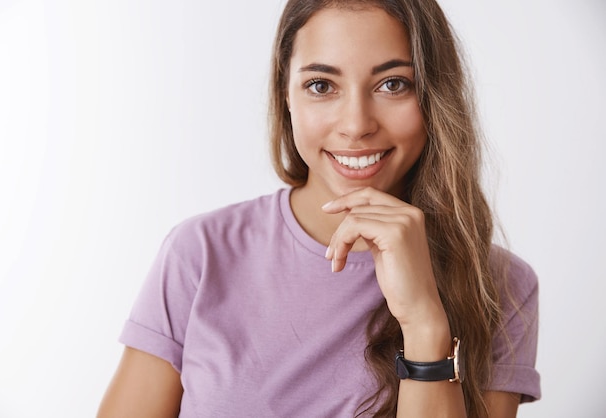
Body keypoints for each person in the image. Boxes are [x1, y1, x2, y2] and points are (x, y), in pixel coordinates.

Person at [97, 0, 540, 417]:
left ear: (434, 97)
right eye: (321, 85)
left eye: (392, 84)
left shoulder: (499, 287)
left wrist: (425, 322)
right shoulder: (199, 252)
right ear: (285, 94)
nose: (356, 125)